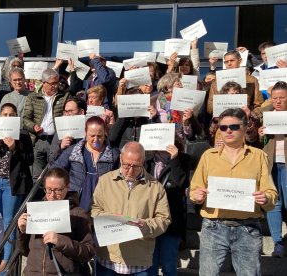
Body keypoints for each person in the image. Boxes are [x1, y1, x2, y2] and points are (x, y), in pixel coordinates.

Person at [190, 108, 278, 275]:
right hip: (213, 227)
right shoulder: (208, 156)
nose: (228, 130)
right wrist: (197, 196)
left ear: (244, 128)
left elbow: (271, 193)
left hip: (248, 229)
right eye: (223, 127)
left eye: (234, 127)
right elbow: (194, 189)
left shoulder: (259, 156)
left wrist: (265, 197)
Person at [91, 141, 171, 275]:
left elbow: (164, 219)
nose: (130, 170)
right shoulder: (105, 181)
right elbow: (95, 209)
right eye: (126, 165)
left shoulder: (156, 187)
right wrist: (109, 220)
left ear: (143, 162)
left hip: (139, 262)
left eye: (136, 166)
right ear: (121, 159)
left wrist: (144, 225)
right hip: (108, 257)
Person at [17, 168, 95, 275]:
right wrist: (22, 232)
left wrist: (60, 241)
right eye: (48, 189)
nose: (52, 195)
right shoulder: (36, 211)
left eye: (58, 190)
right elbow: (24, 251)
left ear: (67, 187)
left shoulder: (78, 214)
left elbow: (88, 252)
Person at [0, 103, 34, 272]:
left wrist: (14, 148)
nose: (8, 117)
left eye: (11, 114)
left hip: (12, 184)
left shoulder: (23, 135)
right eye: (5, 114)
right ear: (0, 116)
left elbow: (30, 160)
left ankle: (6, 261)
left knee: (9, 221)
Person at [52, 116, 120, 212]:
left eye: (99, 136)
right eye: (92, 136)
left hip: (103, 203)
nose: (96, 139)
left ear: (105, 132)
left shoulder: (114, 154)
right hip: (77, 202)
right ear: (85, 133)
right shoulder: (74, 151)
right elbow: (55, 170)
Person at [145, 141, 188, 276]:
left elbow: (181, 183)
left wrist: (174, 159)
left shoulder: (182, 160)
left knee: (169, 266)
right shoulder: (148, 161)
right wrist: (146, 156)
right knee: (150, 266)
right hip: (150, 220)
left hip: (171, 221)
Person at [23, 68, 70, 180]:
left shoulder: (64, 96)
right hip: (38, 140)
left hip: (55, 140)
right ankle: (38, 197)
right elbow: (25, 119)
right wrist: (33, 127)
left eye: (57, 83)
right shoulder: (32, 97)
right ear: (43, 83)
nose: (55, 86)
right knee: (36, 177)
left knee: (54, 173)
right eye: (52, 83)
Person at [258, 81, 287, 257]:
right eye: (275, 98)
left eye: (282, 98)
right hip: (271, 164)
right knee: (273, 203)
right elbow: (254, 140)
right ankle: (278, 243)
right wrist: (260, 134)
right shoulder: (265, 114)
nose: (277, 101)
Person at [207, 50, 264, 115]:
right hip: (222, 118)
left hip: (244, 118)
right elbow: (209, 108)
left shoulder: (252, 80)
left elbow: (259, 104)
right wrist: (222, 102)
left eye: (232, 60)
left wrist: (250, 113)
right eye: (226, 62)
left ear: (240, 61)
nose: (229, 64)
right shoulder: (216, 83)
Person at [209, 81, 260, 148]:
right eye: (231, 94)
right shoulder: (219, 113)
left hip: (241, 150)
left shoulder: (249, 112)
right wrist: (215, 121)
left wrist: (247, 117)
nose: (235, 96)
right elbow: (211, 135)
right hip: (221, 150)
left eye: (237, 94)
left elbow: (252, 139)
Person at [48, 96, 87, 163]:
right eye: (65, 111)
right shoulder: (61, 130)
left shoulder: (90, 130)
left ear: (81, 112)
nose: (67, 115)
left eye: (70, 111)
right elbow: (51, 159)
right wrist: (60, 147)